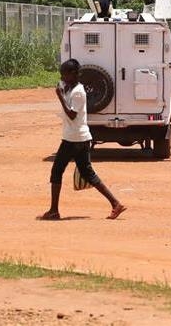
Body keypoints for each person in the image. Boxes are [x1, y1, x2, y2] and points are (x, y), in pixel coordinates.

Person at [40, 59, 126, 221]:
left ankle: (53, 210)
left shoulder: (78, 92)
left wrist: (60, 97)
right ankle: (115, 204)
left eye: (65, 74)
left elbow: (72, 115)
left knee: (57, 171)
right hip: (78, 137)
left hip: (73, 138)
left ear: (73, 74)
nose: (62, 77)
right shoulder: (72, 88)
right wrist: (64, 92)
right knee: (88, 173)